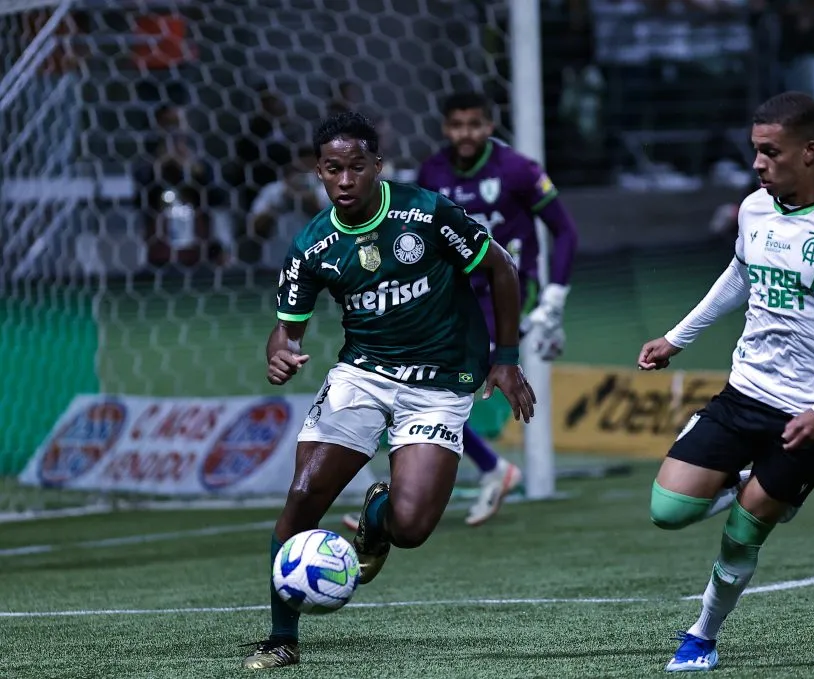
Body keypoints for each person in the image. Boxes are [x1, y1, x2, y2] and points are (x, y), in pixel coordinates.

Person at [242, 111, 536, 670]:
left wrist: (506, 359)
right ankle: (282, 638)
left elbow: (502, 269)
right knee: (303, 495)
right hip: (363, 376)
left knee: (413, 528)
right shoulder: (312, 246)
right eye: (333, 169)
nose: (346, 180)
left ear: (378, 166)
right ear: (318, 173)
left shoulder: (425, 213)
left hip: (440, 383)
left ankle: (377, 519)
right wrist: (278, 352)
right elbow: (287, 328)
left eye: (357, 167)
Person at [637, 91, 814, 672]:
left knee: (742, 535)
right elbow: (739, 275)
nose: (758, 164)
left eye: (769, 152)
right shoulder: (755, 209)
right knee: (667, 510)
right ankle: (748, 484)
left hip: (810, 411)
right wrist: (678, 337)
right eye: (755, 151)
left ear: (808, 152)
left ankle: (702, 634)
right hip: (746, 389)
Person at [415, 90, 579, 526]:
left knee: (437, 389)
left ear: (490, 126)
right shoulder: (431, 172)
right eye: (456, 125)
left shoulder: (517, 170)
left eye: (474, 124)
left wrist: (554, 297)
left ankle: (422, 490)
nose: (465, 133)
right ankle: (491, 469)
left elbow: (565, 231)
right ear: (445, 127)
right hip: (450, 297)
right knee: (417, 387)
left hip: (506, 296)